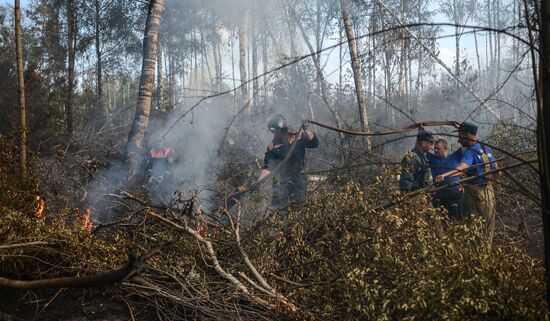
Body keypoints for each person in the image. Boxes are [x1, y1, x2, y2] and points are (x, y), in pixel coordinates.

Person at [435, 122, 501, 246]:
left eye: (460, 136)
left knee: (473, 230)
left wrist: (444, 175)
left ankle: (475, 260)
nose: (459, 140)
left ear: (468, 135)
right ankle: (486, 257)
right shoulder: (487, 149)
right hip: (490, 194)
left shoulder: (470, 152)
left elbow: (462, 168)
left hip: (475, 196)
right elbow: (498, 174)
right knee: (488, 230)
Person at [248, 114, 319, 211]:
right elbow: (268, 166)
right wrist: (259, 181)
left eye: (277, 131)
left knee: (298, 208)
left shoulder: (297, 138)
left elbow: (314, 143)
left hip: (297, 179)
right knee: (278, 210)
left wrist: (306, 128)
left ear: (283, 129)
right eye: (273, 131)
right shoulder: (272, 146)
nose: (275, 134)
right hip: (279, 181)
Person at [426, 138, 464, 220]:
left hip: (455, 196)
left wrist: (463, 130)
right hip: (440, 197)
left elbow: (467, 145)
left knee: (456, 221)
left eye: (438, 148)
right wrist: (421, 131)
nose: (435, 150)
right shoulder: (432, 159)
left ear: (445, 149)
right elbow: (421, 148)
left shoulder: (455, 157)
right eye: (435, 148)